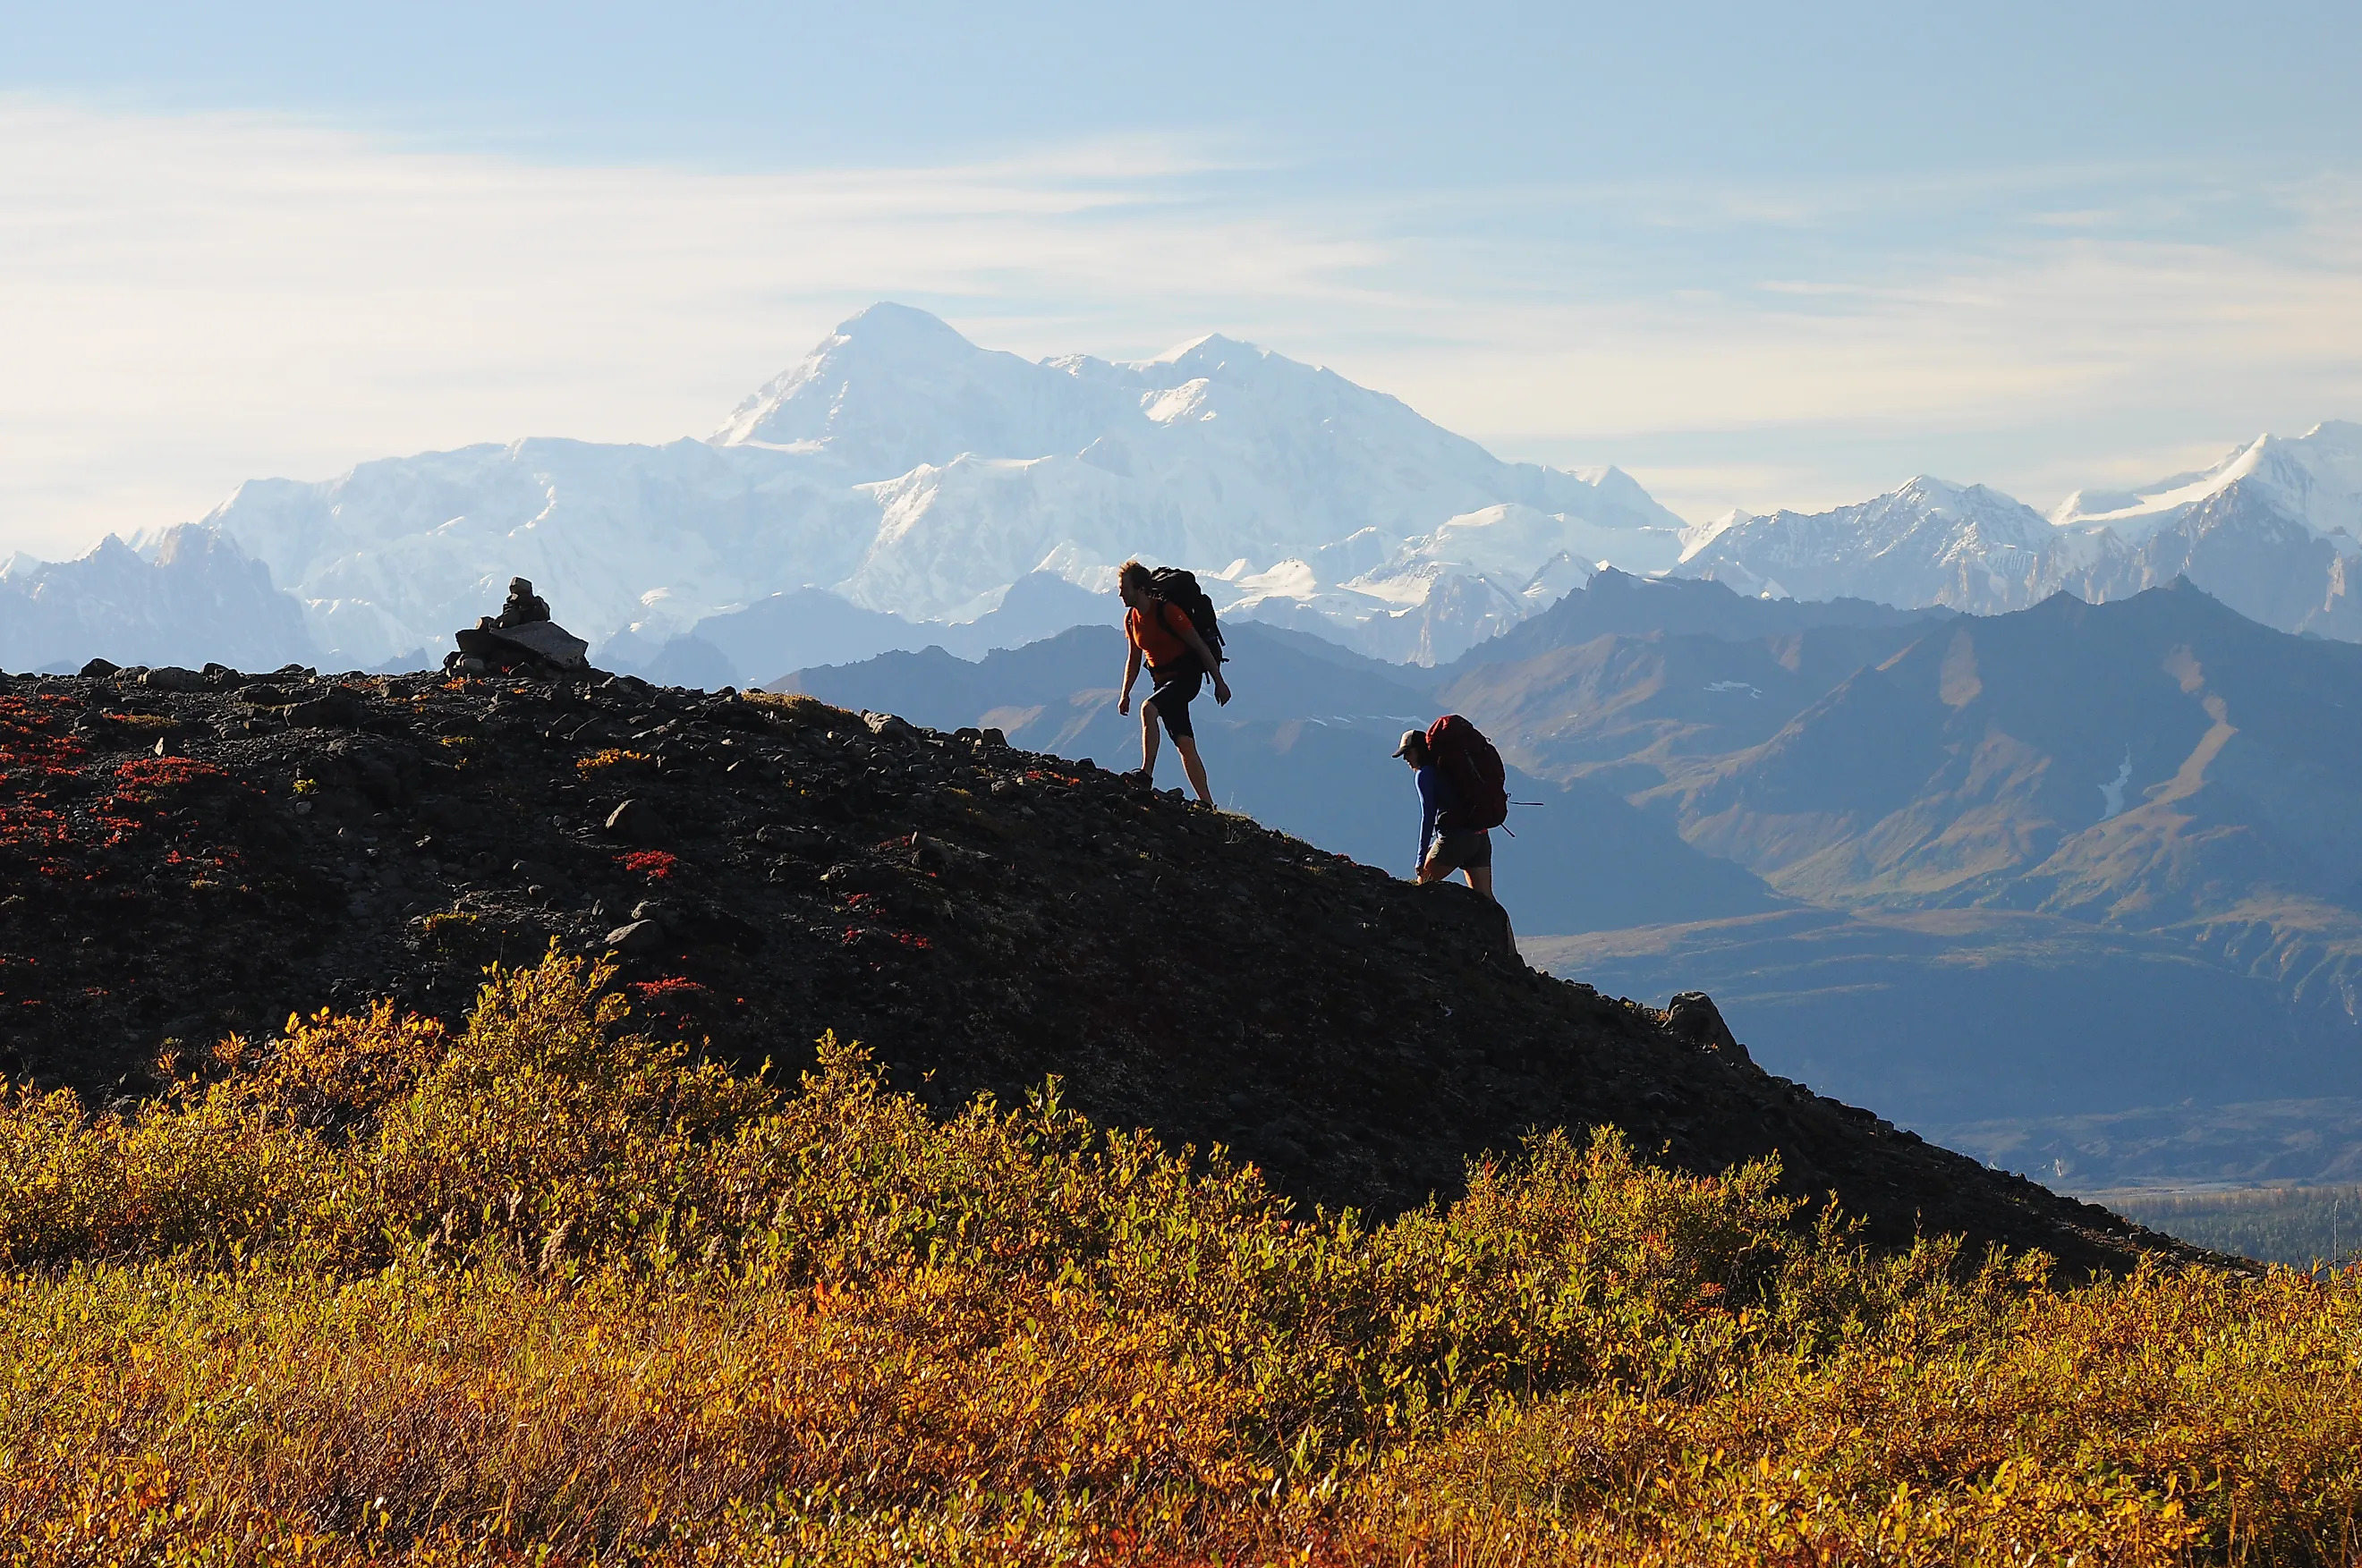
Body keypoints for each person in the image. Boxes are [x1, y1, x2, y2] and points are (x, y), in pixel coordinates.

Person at [1116, 560, 1231, 802]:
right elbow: (1134, 659)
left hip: (1186, 677)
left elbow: (1200, 646)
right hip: (1162, 682)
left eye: (1123, 587)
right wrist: (1125, 693)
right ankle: (1208, 803)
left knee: (1148, 709)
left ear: (1140, 589)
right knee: (1184, 743)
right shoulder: (1131, 619)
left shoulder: (1167, 612)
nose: (1120, 593)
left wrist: (1220, 682)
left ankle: (1145, 775)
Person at [1394, 727, 1500, 903]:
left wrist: (1421, 858)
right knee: (1486, 898)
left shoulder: (1424, 774)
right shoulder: (1447, 767)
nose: (1405, 759)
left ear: (1419, 751)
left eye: (1408, 753)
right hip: (1480, 835)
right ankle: (1504, 931)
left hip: (1455, 838)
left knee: (1423, 886)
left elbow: (1428, 816)